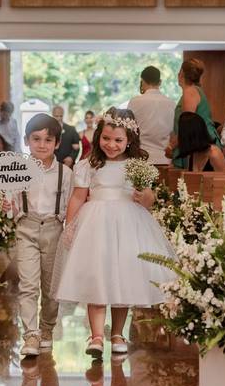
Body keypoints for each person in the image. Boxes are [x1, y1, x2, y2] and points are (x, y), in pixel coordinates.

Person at [53, 109, 175, 358]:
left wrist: (144, 195)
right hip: (95, 225)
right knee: (96, 277)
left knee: (123, 279)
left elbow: (149, 200)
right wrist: (70, 226)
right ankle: (97, 336)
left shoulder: (136, 166)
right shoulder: (88, 165)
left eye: (118, 140)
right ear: (99, 136)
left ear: (129, 140)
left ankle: (118, 333)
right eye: (106, 138)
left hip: (128, 225)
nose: (111, 144)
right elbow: (78, 197)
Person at [12, 114, 74, 356]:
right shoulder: (17, 171)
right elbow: (12, 202)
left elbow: (70, 205)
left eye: (48, 140)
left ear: (57, 144)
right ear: (26, 141)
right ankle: (30, 334)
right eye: (36, 139)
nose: (41, 144)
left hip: (54, 229)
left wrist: (70, 229)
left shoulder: (65, 174)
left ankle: (47, 328)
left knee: (51, 287)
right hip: (26, 228)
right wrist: (9, 208)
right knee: (28, 285)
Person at [166, 59, 221, 168]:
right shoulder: (193, 90)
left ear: (181, 73)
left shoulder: (190, 92)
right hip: (196, 144)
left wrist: (171, 146)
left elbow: (187, 127)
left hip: (200, 146)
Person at [126, 65, 175, 165]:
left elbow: (128, 130)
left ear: (142, 81)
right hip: (165, 159)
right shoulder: (172, 103)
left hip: (141, 157)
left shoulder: (135, 102)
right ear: (160, 82)